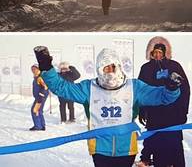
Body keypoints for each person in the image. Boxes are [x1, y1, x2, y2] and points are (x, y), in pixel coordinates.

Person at [34, 46, 182, 167]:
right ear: (99, 69)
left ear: (119, 66)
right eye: (106, 68)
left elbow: (162, 97)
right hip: (100, 149)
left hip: (126, 150)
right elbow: (61, 88)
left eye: (113, 67)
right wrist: (46, 67)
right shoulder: (89, 88)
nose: (110, 71)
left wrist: (171, 88)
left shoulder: (134, 87)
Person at [136, 36, 190, 167]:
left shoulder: (174, 66)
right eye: (155, 52)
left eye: (161, 52)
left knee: (175, 146)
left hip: (173, 114)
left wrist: (184, 111)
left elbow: (185, 89)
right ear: (151, 53)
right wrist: (141, 110)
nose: (158, 55)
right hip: (155, 114)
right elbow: (140, 91)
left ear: (166, 52)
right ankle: (151, 160)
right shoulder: (146, 68)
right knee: (156, 143)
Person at [30, 64, 49, 131]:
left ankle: (38, 126)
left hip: (40, 97)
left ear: (38, 69)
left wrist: (41, 95)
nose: (33, 70)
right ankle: (42, 125)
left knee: (34, 110)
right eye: (32, 69)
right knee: (39, 110)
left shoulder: (40, 77)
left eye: (34, 69)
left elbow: (45, 87)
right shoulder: (37, 77)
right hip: (39, 97)